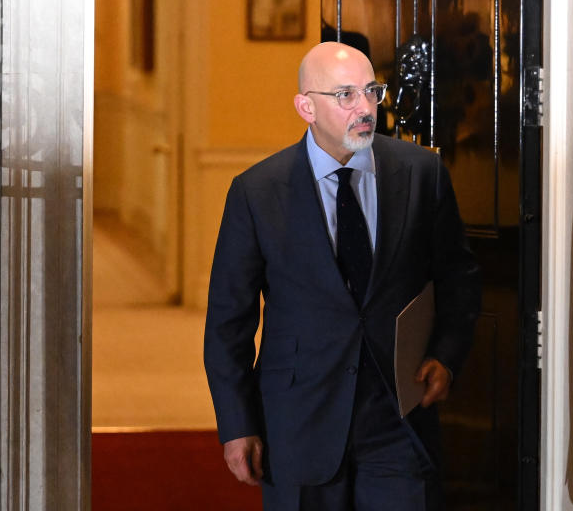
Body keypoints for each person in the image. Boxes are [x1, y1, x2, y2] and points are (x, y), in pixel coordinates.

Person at [203, 42, 481, 510]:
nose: (366, 108)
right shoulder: (257, 192)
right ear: (306, 106)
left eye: (372, 91)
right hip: (299, 420)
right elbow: (229, 321)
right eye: (346, 95)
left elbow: (459, 276)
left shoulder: (422, 173)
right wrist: (237, 424)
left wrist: (446, 354)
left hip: (397, 416)